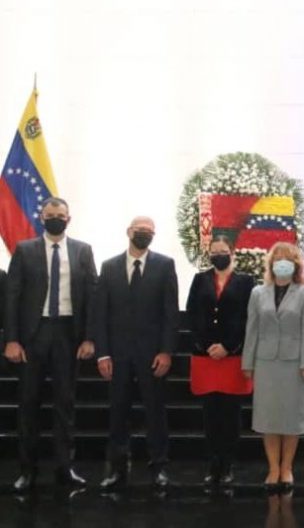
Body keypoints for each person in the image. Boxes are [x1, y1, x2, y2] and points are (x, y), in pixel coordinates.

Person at [5, 197, 95, 491]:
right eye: (50, 214)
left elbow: (92, 297)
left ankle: (64, 469)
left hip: (68, 334)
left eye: (60, 214)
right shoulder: (24, 250)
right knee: (28, 403)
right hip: (34, 335)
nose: (56, 218)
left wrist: (89, 337)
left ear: (69, 218)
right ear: (41, 218)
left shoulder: (83, 251)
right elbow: (12, 297)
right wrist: (12, 340)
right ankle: (27, 471)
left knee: (64, 405)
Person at [91, 216, 179, 490]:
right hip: (117, 355)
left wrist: (166, 351)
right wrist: (102, 354)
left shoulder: (165, 265)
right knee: (118, 412)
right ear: (129, 231)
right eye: (140, 230)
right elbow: (100, 314)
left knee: (155, 412)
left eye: (149, 231)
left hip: (152, 355)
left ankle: (159, 467)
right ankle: (117, 469)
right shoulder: (109, 267)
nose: (144, 234)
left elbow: (170, 313)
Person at [242, 241, 304, 494]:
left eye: (287, 259)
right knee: (269, 416)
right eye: (278, 258)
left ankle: (287, 467)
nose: (282, 263)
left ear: (295, 265)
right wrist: (247, 362)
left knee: (291, 417)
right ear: (271, 263)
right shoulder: (258, 292)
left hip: (294, 363)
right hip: (265, 362)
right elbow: (252, 329)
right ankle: (273, 467)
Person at [185, 235, 255, 487]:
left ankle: (227, 464)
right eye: (214, 251)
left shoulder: (246, 282)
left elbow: (249, 318)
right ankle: (213, 463)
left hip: (232, 356)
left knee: (230, 413)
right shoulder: (200, 279)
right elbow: (192, 313)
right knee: (210, 413)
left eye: (222, 250)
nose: (218, 255)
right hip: (205, 356)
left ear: (232, 252)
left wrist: (228, 346)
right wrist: (205, 345)